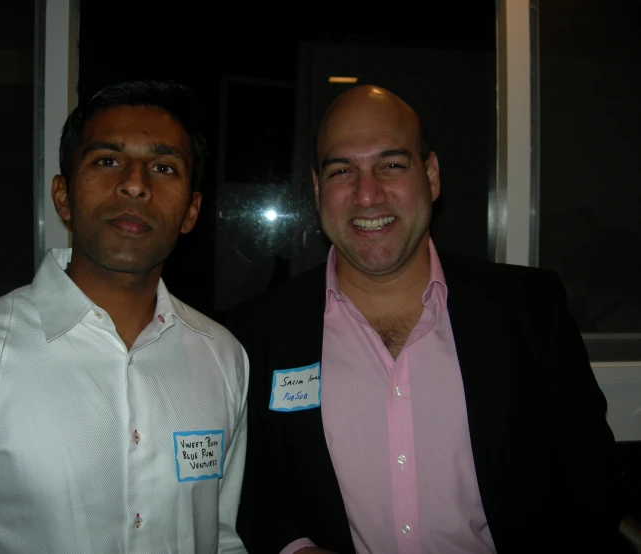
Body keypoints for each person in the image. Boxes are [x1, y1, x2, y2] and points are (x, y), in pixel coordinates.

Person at [223, 85, 621, 553]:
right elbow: (252, 486)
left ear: (431, 176)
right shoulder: (258, 333)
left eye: (391, 165)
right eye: (342, 171)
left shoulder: (530, 311)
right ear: (316, 189)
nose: (367, 195)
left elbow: (593, 482)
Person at [0, 79, 248, 554]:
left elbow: (220, 536)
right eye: (107, 161)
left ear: (191, 211)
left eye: (164, 167)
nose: (134, 183)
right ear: (62, 196)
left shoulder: (223, 358)